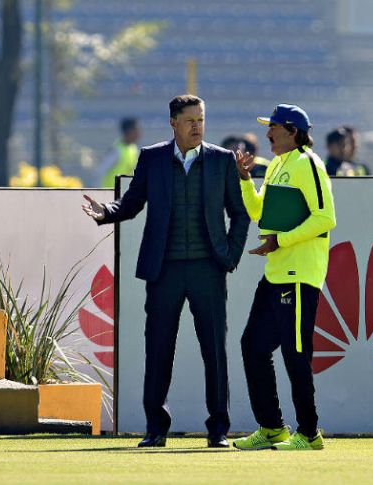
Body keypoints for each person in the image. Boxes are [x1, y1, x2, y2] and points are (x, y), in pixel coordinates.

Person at [82, 94, 250, 448]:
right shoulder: (152, 157)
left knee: (214, 352)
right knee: (158, 350)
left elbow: (239, 213)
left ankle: (218, 430)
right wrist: (106, 212)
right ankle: (155, 428)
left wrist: (230, 256)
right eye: (190, 121)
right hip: (164, 271)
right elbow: (131, 203)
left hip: (208, 270)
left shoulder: (221, 160)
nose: (197, 127)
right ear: (173, 123)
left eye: (201, 120)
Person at [232, 104, 336, 451]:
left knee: (295, 354)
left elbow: (325, 218)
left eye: (273, 127)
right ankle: (273, 428)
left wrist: (281, 241)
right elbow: (258, 211)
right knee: (253, 346)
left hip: (300, 274)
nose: (267, 134)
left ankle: (309, 433)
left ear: (293, 131)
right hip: (276, 273)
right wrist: (245, 180)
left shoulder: (309, 163)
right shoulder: (277, 164)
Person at [96, 117, 141, 187]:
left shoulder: (133, 149)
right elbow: (100, 170)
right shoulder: (116, 150)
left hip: (123, 191)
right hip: (111, 191)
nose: (139, 133)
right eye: (136, 130)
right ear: (129, 131)